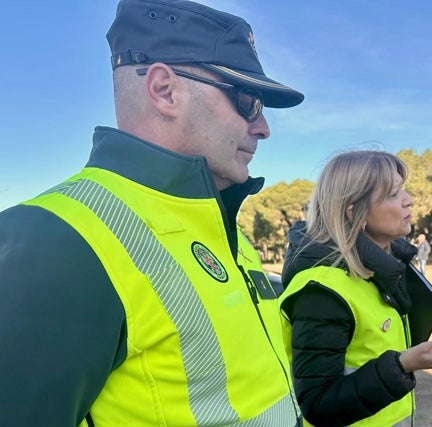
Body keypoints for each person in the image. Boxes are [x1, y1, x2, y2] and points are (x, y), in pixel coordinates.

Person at [0, 0, 305, 425]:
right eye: (248, 100)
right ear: (164, 90)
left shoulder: (225, 227)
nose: (263, 127)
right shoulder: (55, 240)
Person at [278, 150, 432, 426]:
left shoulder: (383, 272)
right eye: (393, 193)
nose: (408, 200)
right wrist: (401, 366)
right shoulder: (322, 292)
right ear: (355, 213)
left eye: (404, 190)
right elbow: (317, 404)